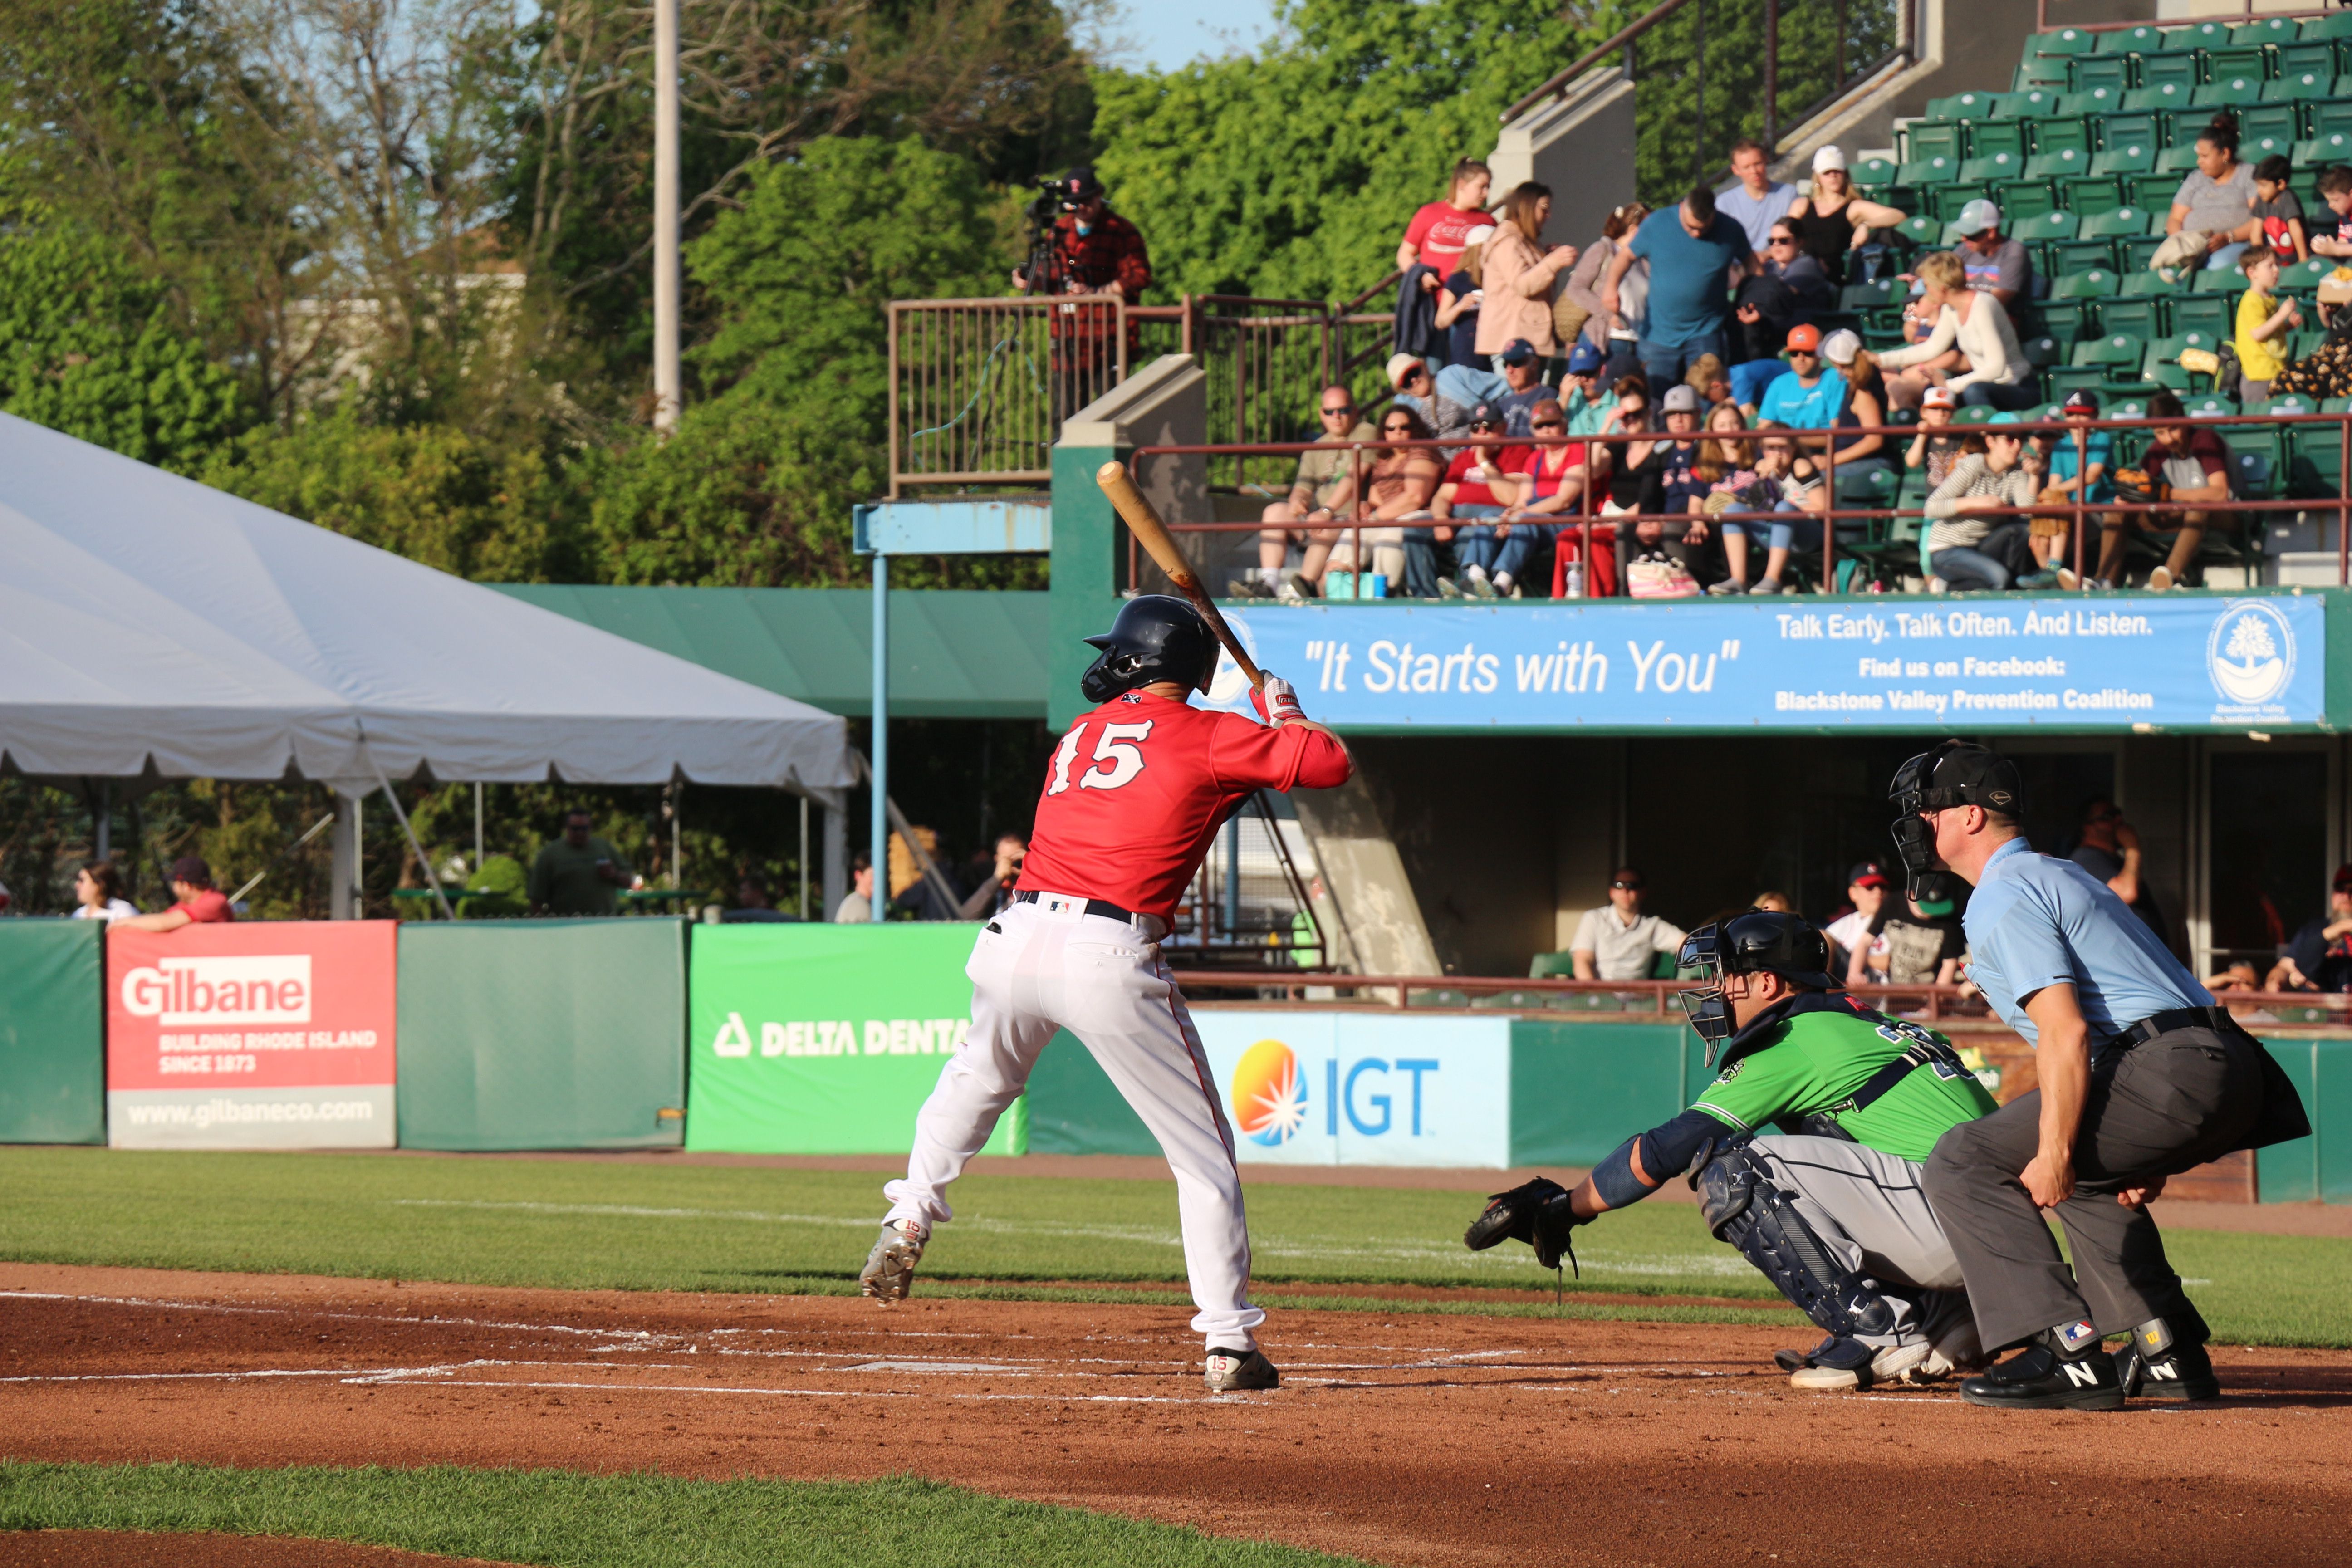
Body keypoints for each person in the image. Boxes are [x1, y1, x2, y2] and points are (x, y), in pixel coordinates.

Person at [860, 595, 1353, 1396]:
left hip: (1013, 934)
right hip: (1106, 950)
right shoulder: (1214, 734)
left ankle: (912, 1207)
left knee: (973, 1083)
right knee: (1202, 1162)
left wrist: (1253, 724)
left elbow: (1196, 776)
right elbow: (1327, 763)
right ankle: (1228, 1345)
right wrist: (1281, 708)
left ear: (1139, 659)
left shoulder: (1083, 734)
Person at [1896, 740, 2308, 1409]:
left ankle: (2065, 1348)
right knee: (2088, 1171)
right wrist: (2135, 1142)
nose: (1920, 825)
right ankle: (2165, 1347)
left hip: (2168, 1067)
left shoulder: (2001, 893)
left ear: (1971, 817)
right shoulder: (2065, 874)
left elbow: (2066, 1032)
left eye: (1929, 811)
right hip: (2226, 1065)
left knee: (1963, 1160)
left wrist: (2055, 1153)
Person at [1467, 911, 1995, 1391]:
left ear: (1767, 982)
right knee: (1822, 1150)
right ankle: (1944, 1314)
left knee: (1732, 1167)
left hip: (1946, 1222)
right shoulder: (1873, 1025)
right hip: (1991, 1236)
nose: (1717, 991)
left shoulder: (1796, 1037)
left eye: (1727, 977)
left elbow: (1668, 1149)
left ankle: (1876, 1329)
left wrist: (1566, 1209)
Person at [1011, 167, 1152, 415]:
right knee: (1065, 418)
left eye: (1086, 201)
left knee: (1111, 418)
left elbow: (1140, 275)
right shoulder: (1059, 231)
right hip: (1068, 341)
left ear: (1098, 197)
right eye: (1074, 203)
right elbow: (1051, 277)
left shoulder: (1121, 231)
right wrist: (1027, 278)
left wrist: (1098, 292)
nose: (1081, 208)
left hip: (1109, 341)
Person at [2074, 389, 2232, 593]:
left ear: (2184, 420)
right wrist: (2128, 499)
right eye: (2160, 433)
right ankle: (2104, 581)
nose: (2168, 439)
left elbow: (2221, 494)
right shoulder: (2159, 449)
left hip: (2230, 515)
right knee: (2117, 512)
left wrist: (2168, 494)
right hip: (2184, 514)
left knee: (2198, 508)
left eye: (2173, 429)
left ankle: (2168, 577)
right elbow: (2143, 486)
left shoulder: (2205, 439)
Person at [1605, 185, 1749, 390]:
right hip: (1658, 336)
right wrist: (1610, 288)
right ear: (1682, 208)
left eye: (1703, 229)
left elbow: (1752, 264)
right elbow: (1625, 256)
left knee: (1708, 399)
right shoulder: (1657, 223)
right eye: (1691, 227)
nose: (1697, 234)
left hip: (1706, 333)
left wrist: (1754, 296)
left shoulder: (1730, 229)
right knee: (1655, 399)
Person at [1251, 385, 1375, 601]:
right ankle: (1268, 584)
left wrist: (1327, 511)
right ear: (1322, 414)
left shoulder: (1366, 432)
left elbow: (1355, 476)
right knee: (1274, 512)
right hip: (1321, 516)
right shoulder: (1316, 447)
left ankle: (1301, 589)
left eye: (1343, 410)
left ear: (1355, 411)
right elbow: (1302, 488)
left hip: (1349, 518)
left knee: (1326, 527)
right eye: (1330, 411)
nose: (1336, 417)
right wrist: (1299, 502)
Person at [1877, 251, 2034, 412]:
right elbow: (1931, 349)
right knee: (1929, 394)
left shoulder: (1983, 305)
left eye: (1927, 286)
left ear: (1942, 288)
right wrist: (1879, 359)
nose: (1926, 291)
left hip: (2016, 385)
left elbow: (1996, 368)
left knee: (1973, 391)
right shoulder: (1950, 309)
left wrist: (1948, 385)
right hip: (1982, 386)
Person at [1925, 424, 2055, 592]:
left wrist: (2035, 476)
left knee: (2022, 532)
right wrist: (1978, 502)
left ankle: (2011, 590)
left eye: (2020, 439)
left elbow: (2027, 511)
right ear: (1991, 441)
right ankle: (1946, 587)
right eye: (2009, 439)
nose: (2017, 445)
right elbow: (1931, 507)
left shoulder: (2016, 471)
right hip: (1948, 549)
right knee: (2001, 578)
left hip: (1982, 545)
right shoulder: (1973, 465)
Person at [1397, 159, 1496, 368]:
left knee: (1468, 369)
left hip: (1471, 312)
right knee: (1434, 370)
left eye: (1488, 187)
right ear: (1462, 185)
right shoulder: (1429, 213)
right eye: (1482, 186)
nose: (1486, 193)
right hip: (1433, 307)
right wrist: (1419, 274)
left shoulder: (1487, 222)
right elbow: (1405, 253)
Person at [1710, 424, 1828, 595]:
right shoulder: (1762, 467)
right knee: (1733, 511)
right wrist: (1764, 477)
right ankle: (1738, 580)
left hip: (1808, 533)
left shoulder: (1801, 466)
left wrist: (1785, 510)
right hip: (1775, 529)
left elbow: (1822, 507)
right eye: (1771, 448)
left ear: (1793, 448)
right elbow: (1758, 504)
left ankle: (1772, 579)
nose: (1777, 454)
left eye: (1782, 448)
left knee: (1784, 508)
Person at [1430, 403, 1529, 598]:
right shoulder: (1463, 458)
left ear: (1504, 427)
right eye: (1476, 428)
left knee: (1473, 529)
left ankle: (1468, 587)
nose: (1482, 432)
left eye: (1488, 426)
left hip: (1490, 514)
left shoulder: (1517, 450)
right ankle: (1424, 594)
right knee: (1413, 530)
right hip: (1455, 514)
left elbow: (1510, 497)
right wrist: (1440, 519)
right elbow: (1442, 496)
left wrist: (1484, 461)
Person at [1477, 183, 1576, 368]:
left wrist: (1545, 256)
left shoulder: (1526, 241)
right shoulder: (1507, 241)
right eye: (1544, 209)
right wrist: (1553, 262)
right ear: (1527, 207)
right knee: (1518, 396)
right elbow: (1522, 285)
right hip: (1511, 342)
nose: (1549, 216)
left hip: (1529, 337)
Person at [1785, 145, 1907, 286]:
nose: (1833, 176)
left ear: (1845, 173)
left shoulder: (1854, 207)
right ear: (1818, 176)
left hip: (1831, 278)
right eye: (1827, 172)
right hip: (1802, 269)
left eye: (1837, 171)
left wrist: (1866, 225)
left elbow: (1898, 215)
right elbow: (1785, 236)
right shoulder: (1801, 205)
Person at [1358, 405, 1446, 597]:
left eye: (1404, 427)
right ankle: (1335, 581)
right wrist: (1367, 506)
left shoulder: (1423, 452)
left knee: (1388, 536)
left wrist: (1375, 516)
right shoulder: (1382, 461)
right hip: (1384, 516)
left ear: (1414, 429)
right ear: (1384, 432)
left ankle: (1382, 593)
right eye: (1391, 428)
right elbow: (1375, 499)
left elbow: (1415, 498)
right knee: (1354, 533)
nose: (1397, 432)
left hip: (1417, 514)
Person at [2164, 113, 2256, 273]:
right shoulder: (2195, 179)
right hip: (2193, 247)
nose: (2199, 162)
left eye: (2205, 156)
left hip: (2236, 245)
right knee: (2169, 271)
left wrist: (2228, 237)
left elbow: (2260, 219)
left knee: (2216, 265)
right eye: (2198, 156)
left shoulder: (2249, 175)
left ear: (2225, 154)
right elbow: (2175, 218)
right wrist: (2182, 242)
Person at [2034, 389, 2112, 577]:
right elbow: (2054, 482)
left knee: (2059, 509)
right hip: (2068, 509)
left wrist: (2053, 493)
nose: (2077, 419)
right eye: (2071, 414)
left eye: (2083, 414)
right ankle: (2050, 577)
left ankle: (2054, 568)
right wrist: (2049, 496)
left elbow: (2091, 477)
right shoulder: (2061, 445)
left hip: (2097, 509)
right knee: (2037, 540)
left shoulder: (2101, 439)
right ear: (2064, 415)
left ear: (2095, 415)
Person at [1560, 203, 1648, 365]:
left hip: (1636, 342)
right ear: (1635, 230)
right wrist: (1609, 316)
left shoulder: (1643, 261)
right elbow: (1576, 288)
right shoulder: (1603, 250)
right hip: (1606, 339)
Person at [2070, 798, 2165, 942]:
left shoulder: (2111, 859)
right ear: (2087, 827)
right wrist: (2132, 847)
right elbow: (2128, 893)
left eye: (2118, 814)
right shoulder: (2087, 858)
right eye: (2108, 817)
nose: (2119, 821)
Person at [1570, 867, 1686, 981]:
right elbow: (1582, 961)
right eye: (1619, 885)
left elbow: (1687, 944)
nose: (1625, 891)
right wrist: (1595, 994)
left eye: (1632, 886)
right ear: (1611, 892)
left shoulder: (1652, 925)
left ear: (1643, 893)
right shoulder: (1594, 918)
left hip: (1638, 997)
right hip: (1601, 995)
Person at [1848, 885, 1966, 989]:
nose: (1931, 913)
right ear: (1910, 895)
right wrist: (1855, 974)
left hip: (1928, 992)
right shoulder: (1893, 904)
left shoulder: (1950, 920)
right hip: (1893, 989)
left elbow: (1949, 965)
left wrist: (1933, 1004)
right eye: (1925, 906)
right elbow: (1865, 942)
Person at [526, 808, 632, 916]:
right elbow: (536, 899)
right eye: (575, 829)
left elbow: (629, 882)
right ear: (567, 828)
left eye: (584, 828)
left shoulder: (605, 848)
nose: (580, 833)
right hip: (565, 925)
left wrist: (614, 874)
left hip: (603, 923)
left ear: (590, 828)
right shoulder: (550, 854)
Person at [1821, 330, 1893, 485]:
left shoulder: (1863, 392)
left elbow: (1875, 440)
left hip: (1872, 463)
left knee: (1813, 478)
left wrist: (1829, 461)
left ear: (1837, 363)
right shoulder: (1866, 377)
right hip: (1859, 462)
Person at [1755, 323, 1846, 446]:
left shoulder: (1835, 378)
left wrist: (1791, 441)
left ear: (1820, 354)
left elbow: (1838, 433)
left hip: (1821, 454)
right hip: (1781, 452)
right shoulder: (1779, 383)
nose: (1801, 358)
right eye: (1794, 353)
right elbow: (1763, 427)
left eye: (1808, 353)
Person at [2234, 246, 2302, 402]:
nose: (2277, 270)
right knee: (2262, 419)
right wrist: (2282, 315)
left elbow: (2270, 330)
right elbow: (2258, 333)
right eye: (2270, 266)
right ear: (2252, 273)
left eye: (2277, 265)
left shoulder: (2269, 298)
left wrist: (2288, 326)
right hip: (2259, 376)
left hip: (2275, 370)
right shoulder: (2252, 300)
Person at [1388, 352, 1505, 441]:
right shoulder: (1403, 405)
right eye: (1407, 381)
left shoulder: (1452, 375)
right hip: (1432, 462)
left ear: (1424, 367)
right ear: (1402, 389)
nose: (1414, 380)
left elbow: (1503, 388)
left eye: (1414, 372)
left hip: (1473, 450)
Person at [1717, 138, 1798, 266]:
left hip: (1780, 265)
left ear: (1766, 160)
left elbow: (1796, 239)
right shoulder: (1724, 203)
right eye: (1747, 167)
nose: (1754, 171)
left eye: (1758, 164)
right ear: (1736, 171)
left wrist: (1767, 254)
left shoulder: (1789, 194)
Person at [2271, 865, 2352, 992]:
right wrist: (2274, 983)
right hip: (2320, 1007)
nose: (2346, 897)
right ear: (2333, 894)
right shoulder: (2314, 930)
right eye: (2341, 890)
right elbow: (2285, 968)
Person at [1950, 201, 2034, 309]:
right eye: (1962, 233)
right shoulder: (1964, 249)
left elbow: (1994, 303)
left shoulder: (2014, 252)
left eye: (1971, 235)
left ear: (1991, 233)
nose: (1964, 239)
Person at [120, 856, 235, 931]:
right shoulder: (186, 904)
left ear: (186, 886)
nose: (173, 887)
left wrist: (124, 922)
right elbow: (162, 919)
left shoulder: (215, 901)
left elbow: (163, 924)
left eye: (175, 883)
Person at [1823, 859, 1892, 976]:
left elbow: (1903, 963)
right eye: (1870, 887)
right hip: (1849, 987)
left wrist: (1861, 960)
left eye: (1882, 887)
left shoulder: (1901, 921)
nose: (1878, 891)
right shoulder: (1841, 927)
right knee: (1823, 939)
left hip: (1885, 987)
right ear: (1853, 893)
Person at [2249, 154, 2308, 264]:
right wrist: (2260, 261)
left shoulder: (2287, 198)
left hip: (2294, 258)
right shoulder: (2261, 200)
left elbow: (2296, 230)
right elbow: (2256, 234)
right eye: (2258, 185)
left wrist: (2303, 260)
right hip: (2275, 259)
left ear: (2281, 184)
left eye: (2263, 185)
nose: (2259, 190)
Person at [1492, 339, 1556, 436]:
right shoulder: (1502, 403)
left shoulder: (1548, 396)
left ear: (1534, 364)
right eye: (1506, 364)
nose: (1510, 370)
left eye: (1516, 363)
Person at [956, 834, 1027, 920]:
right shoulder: (991, 889)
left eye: (1018, 860)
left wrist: (1030, 872)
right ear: (997, 859)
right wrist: (997, 879)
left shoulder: (1034, 889)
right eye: (1007, 860)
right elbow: (965, 917)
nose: (1012, 864)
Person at [1904, 385, 1963, 487]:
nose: (1940, 414)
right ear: (1923, 412)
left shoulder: (1960, 437)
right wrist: (1922, 435)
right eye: (1934, 409)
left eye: (1946, 409)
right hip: (1934, 499)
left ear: (1953, 413)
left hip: (1958, 496)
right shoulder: (1924, 438)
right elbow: (1912, 462)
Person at [1557, 341, 1618, 435]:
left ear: (1603, 370)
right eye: (1579, 374)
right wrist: (1562, 403)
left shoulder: (1618, 399)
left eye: (1589, 373)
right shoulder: (1568, 398)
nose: (1584, 379)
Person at [71, 861, 137, 923]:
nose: (77, 885)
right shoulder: (78, 914)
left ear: (99, 884)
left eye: (82, 880)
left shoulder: (122, 911)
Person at [2310, 164, 2352, 259]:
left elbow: (2340, 249)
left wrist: (2336, 250)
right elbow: (2344, 242)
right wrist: (2326, 246)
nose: (2330, 205)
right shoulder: (2344, 214)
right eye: (2329, 201)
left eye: (2336, 200)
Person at [724, 873, 796, 923]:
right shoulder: (741, 918)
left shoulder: (776, 919)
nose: (740, 895)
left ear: (757, 893)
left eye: (744, 891)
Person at [832, 853, 876, 923]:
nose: (877, 879)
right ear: (858, 875)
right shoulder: (859, 904)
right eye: (872, 875)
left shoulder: (856, 901)